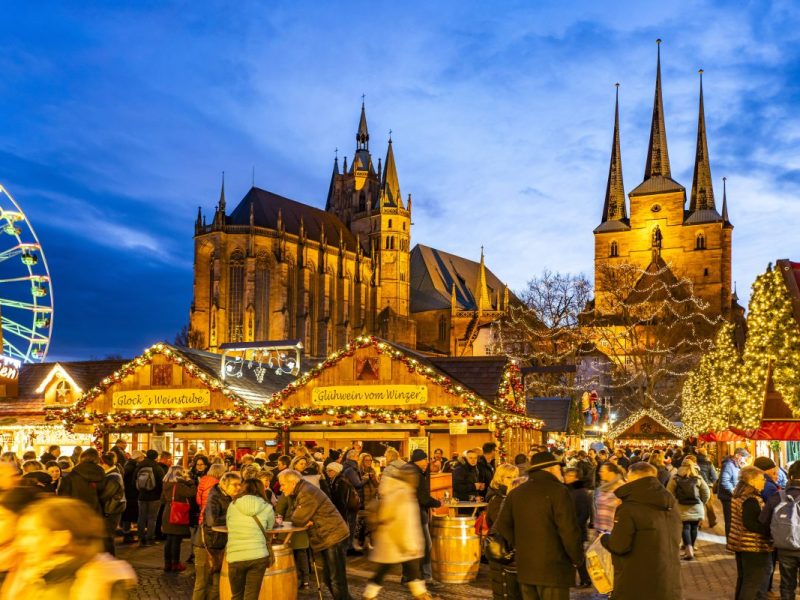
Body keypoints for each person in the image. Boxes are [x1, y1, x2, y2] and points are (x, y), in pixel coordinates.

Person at [2, 497, 136, 599]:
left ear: (60, 538)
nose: (20, 544)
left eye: (30, 534)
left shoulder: (83, 586)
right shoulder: (43, 577)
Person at [495, 452, 583, 600]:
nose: (561, 472)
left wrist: (519, 544)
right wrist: (577, 558)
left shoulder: (516, 493)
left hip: (526, 567)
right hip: (554, 568)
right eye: (559, 468)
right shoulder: (559, 491)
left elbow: (503, 525)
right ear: (552, 468)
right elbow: (568, 530)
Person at [599, 461, 682, 600]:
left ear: (634, 478)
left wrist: (604, 538)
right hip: (668, 582)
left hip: (636, 584)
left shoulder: (629, 508)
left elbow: (619, 546)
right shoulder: (670, 503)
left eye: (628, 479)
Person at [278, 469, 353, 600]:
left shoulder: (306, 493)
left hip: (332, 536)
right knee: (330, 578)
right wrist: (299, 515)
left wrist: (300, 516)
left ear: (292, 482)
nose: (281, 488)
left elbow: (297, 519)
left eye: (283, 484)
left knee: (335, 579)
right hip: (327, 537)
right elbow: (295, 514)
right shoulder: (300, 491)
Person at [363, 461, 431, 600]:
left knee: (387, 570)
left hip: (394, 541)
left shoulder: (398, 491)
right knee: (408, 571)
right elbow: (400, 524)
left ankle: (369, 595)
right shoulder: (402, 494)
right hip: (400, 541)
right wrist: (406, 545)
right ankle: (421, 596)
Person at [194, 472, 242, 600]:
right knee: (202, 583)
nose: (238, 487)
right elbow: (212, 521)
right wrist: (233, 517)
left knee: (217, 584)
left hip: (220, 544)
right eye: (235, 484)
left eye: (239, 484)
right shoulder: (214, 497)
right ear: (224, 484)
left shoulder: (230, 496)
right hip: (206, 545)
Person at [727, 466, 773, 599]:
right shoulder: (751, 499)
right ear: (751, 481)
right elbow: (751, 523)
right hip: (753, 545)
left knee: (744, 579)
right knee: (752, 582)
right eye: (761, 479)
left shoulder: (739, 495)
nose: (763, 482)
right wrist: (769, 530)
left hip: (741, 544)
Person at [226, 478, 275, 600]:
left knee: (236, 595)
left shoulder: (232, 505)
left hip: (235, 555)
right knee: (251, 596)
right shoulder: (267, 507)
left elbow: (228, 524)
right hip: (258, 555)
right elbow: (269, 527)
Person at [760, 460, 800, 600]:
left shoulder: (778, 496)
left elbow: (763, 521)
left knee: (787, 584)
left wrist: (772, 538)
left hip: (784, 548)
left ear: (790, 477)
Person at [406, 449, 442, 587]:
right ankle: (426, 576)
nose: (427, 462)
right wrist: (438, 503)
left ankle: (407, 577)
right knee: (426, 545)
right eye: (425, 459)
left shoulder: (410, 471)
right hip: (417, 513)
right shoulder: (416, 474)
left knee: (412, 546)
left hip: (408, 512)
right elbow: (423, 498)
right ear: (418, 460)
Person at [485, 463, 520, 600]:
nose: (513, 480)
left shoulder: (511, 497)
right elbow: (500, 526)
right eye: (509, 477)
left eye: (516, 477)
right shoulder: (498, 500)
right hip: (502, 552)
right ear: (500, 479)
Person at [666, 457, 709, 561]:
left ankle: (688, 549)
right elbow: (706, 492)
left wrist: (673, 503)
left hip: (681, 507)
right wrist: (702, 502)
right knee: (694, 528)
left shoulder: (675, 478)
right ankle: (692, 547)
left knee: (685, 527)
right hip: (697, 506)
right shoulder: (698, 478)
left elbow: (669, 492)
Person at [160, 465, 196, 572]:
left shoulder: (166, 484)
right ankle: (175, 563)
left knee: (169, 540)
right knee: (176, 540)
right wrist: (190, 481)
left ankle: (167, 563)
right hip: (177, 513)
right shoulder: (179, 485)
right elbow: (192, 492)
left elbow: (162, 499)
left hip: (167, 512)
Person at [563, 467, 592, 587]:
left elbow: (585, 513)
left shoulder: (580, 492)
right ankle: (579, 579)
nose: (566, 477)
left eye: (570, 476)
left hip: (577, 530)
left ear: (576, 478)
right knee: (573, 555)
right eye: (566, 475)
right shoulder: (567, 490)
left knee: (578, 556)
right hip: (569, 529)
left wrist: (574, 526)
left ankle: (585, 579)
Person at [326, 462, 361, 555]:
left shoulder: (340, 481)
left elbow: (341, 499)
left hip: (347, 509)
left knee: (348, 528)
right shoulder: (335, 480)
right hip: (347, 509)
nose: (328, 472)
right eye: (327, 470)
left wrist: (341, 514)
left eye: (330, 471)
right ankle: (346, 547)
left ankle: (347, 548)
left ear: (336, 471)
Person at [57, 447, 106, 514]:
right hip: (95, 512)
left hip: (75, 512)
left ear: (82, 457)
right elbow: (104, 494)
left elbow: (63, 496)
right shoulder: (101, 473)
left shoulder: (72, 475)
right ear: (97, 458)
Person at [134, 449, 166, 546]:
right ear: (156, 457)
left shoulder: (139, 466)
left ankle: (141, 538)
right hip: (155, 497)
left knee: (141, 517)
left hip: (141, 496)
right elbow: (162, 483)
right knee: (152, 518)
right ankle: (150, 538)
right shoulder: (157, 468)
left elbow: (134, 481)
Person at [99, 451, 126, 556]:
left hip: (111, 509)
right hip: (112, 508)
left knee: (107, 536)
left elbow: (106, 494)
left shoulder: (113, 477)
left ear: (104, 464)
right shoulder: (111, 474)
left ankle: (110, 558)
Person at [719, 448, 751, 538]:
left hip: (734, 496)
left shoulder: (736, 465)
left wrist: (744, 468)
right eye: (744, 457)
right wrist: (734, 492)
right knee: (730, 520)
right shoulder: (728, 465)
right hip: (728, 498)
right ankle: (730, 542)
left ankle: (733, 540)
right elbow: (724, 481)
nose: (744, 460)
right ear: (737, 456)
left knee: (734, 520)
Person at [355, 453, 379, 551]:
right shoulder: (358, 471)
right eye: (366, 460)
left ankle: (369, 542)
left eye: (370, 460)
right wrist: (365, 478)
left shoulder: (372, 470)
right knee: (361, 523)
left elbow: (377, 485)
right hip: (361, 500)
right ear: (362, 461)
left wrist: (373, 479)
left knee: (370, 523)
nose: (369, 462)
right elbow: (357, 485)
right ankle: (359, 542)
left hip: (371, 500)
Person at [593, 462, 625, 534]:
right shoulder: (603, 486)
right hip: (600, 528)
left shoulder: (621, 487)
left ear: (611, 473)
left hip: (613, 531)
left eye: (602, 471)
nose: (599, 473)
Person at [121, 450, 143, 544]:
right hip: (131, 494)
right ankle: (127, 534)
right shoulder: (133, 467)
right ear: (138, 458)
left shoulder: (128, 465)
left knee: (128, 514)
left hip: (129, 493)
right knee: (129, 514)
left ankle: (127, 533)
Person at [695, 447, 718, 528]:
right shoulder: (709, 464)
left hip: (696, 486)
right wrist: (711, 482)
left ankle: (699, 523)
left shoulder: (695, 463)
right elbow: (715, 477)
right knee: (709, 505)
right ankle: (712, 521)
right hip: (708, 486)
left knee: (698, 504)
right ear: (705, 454)